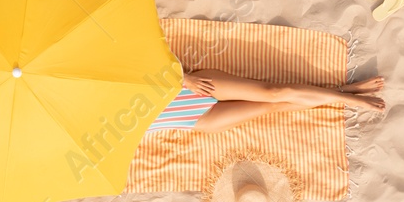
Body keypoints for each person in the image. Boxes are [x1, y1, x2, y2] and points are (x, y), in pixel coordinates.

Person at [146, 70, 385, 134]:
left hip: (190, 88)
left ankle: (348, 99)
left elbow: (145, 60)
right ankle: (344, 92)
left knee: (276, 91)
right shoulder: (112, 140)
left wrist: (184, 78)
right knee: (275, 106)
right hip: (195, 121)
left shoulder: (110, 85)